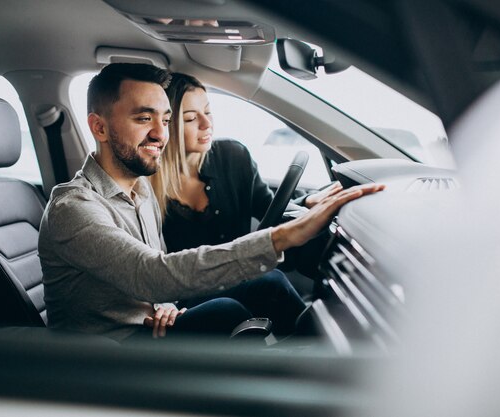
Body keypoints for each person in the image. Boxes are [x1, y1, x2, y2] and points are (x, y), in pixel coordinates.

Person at [38, 63, 384, 343]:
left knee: (272, 285)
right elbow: (150, 274)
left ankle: (328, 366)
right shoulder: (73, 208)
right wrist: (283, 236)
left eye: (166, 119)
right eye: (144, 119)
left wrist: (166, 305)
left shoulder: (140, 190)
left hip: (151, 321)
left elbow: (153, 283)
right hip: (112, 351)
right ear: (99, 127)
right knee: (226, 313)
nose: (161, 134)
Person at [149, 73, 342, 335]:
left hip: (239, 273)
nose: (207, 124)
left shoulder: (233, 156)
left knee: (271, 280)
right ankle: (318, 344)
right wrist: (162, 302)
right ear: (167, 125)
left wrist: (308, 202)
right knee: (271, 282)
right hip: (186, 294)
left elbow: (270, 209)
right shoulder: (147, 183)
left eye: (208, 112)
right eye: (191, 118)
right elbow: (147, 264)